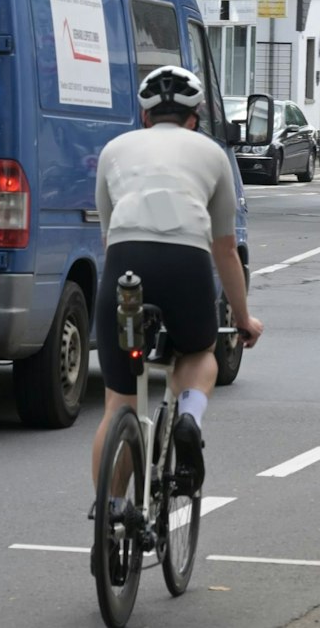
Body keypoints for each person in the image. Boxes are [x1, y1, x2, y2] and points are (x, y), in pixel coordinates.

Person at [91, 65, 264, 505]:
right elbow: (226, 249)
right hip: (186, 261)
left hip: (126, 262)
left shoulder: (114, 149)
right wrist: (243, 319)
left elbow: (109, 235)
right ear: (194, 117)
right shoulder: (211, 154)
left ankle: (110, 516)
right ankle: (189, 415)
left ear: (145, 116)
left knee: (119, 402)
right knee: (198, 352)